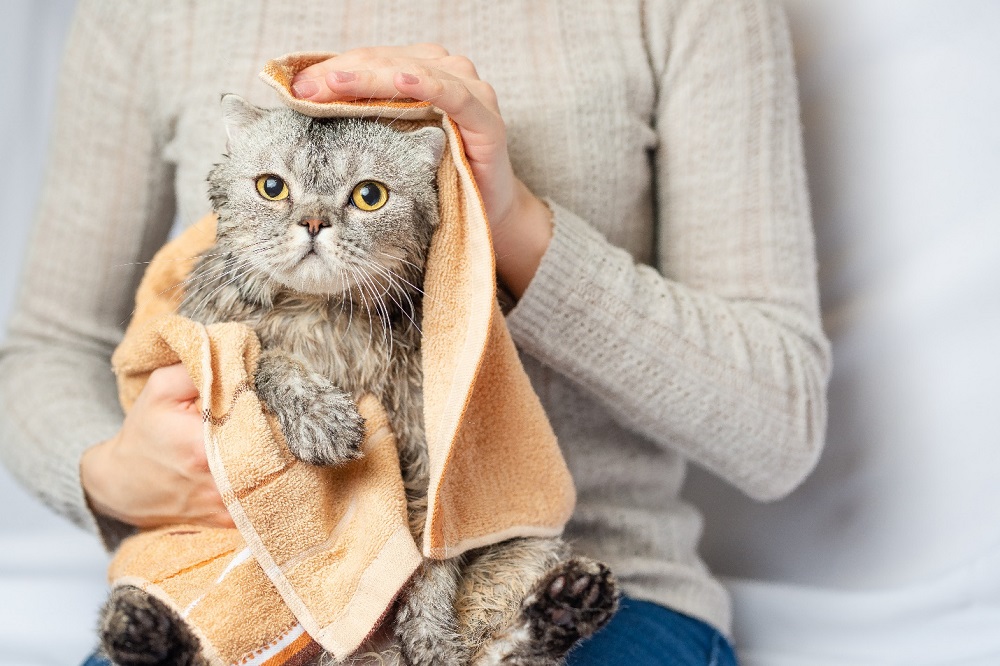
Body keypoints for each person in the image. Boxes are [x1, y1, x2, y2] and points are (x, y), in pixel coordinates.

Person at [0, 1, 829, 664]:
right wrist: (111, 474)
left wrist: (510, 228)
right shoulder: (144, 13)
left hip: (572, 577)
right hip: (251, 568)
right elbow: (45, 349)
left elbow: (778, 428)